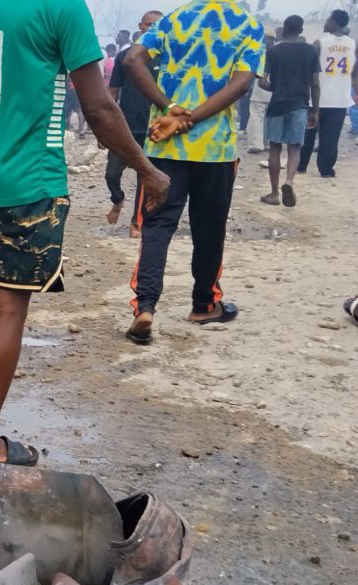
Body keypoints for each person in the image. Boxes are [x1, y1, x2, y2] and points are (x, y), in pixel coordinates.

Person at [0, 0, 169, 465]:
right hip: (33, 181)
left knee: (3, 296)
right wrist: (146, 168)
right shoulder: (62, 7)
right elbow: (98, 106)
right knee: (10, 303)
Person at [123, 0, 264, 343]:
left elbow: (132, 59)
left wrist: (170, 108)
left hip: (164, 146)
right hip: (216, 150)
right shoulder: (248, 25)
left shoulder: (175, 18)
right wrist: (192, 119)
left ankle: (145, 308)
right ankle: (204, 305)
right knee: (210, 230)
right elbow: (241, 84)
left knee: (156, 227)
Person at [104, 10, 164, 237]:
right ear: (140, 26)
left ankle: (136, 223)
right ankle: (117, 199)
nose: (152, 29)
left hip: (153, 129)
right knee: (111, 174)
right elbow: (112, 92)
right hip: (124, 127)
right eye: (148, 24)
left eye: (156, 25)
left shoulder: (167, 59)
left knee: (145, 177)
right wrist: (104, 126)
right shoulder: (125, 56)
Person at [259, 15, 319, 208]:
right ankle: (289, 181)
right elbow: (315, 83)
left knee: (275, 148)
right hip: (300, 105)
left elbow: (262, 81)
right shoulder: (310, 51)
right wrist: (315, 110)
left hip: (277, 105)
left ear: (284, 29)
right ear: (301, 31)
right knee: (294, 149)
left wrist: (275, 88)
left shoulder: (273, 51)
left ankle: (274, 193)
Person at [299, 10, 357, 178]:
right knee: (331, 137)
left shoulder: (320, 43)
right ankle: (326, 170)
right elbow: (355, 72)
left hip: (318, 98)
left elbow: (309, 69)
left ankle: (301, 165)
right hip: (340, 98)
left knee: (308, 134)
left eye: (328, 20)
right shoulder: (353, 44)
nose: (325, 22)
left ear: (334, 22)